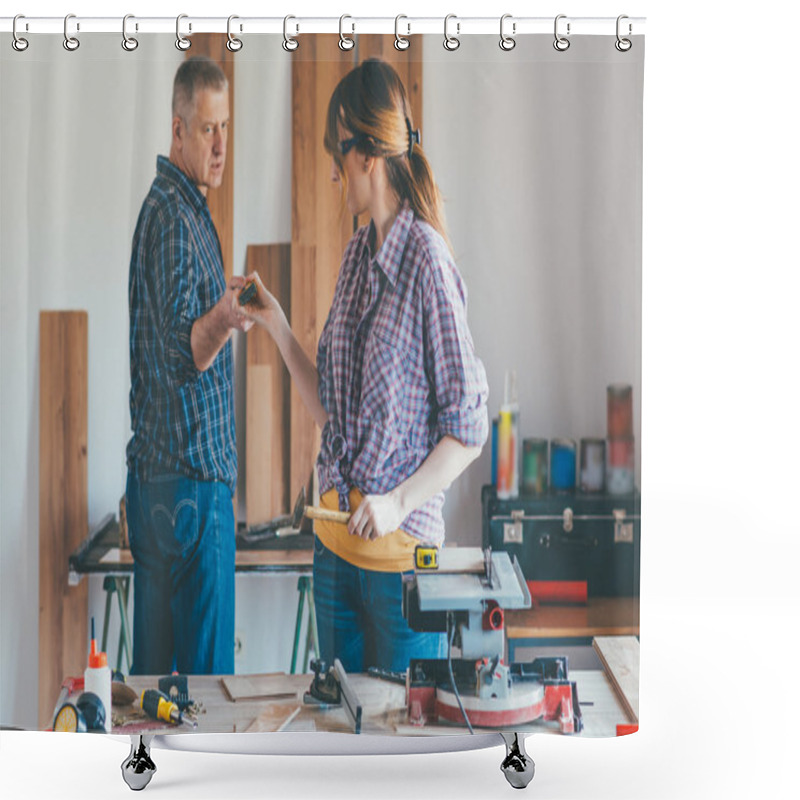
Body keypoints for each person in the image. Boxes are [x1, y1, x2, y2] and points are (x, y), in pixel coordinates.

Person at [240, 59, 489, 673]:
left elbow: (468, 431)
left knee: (403, 755)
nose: (332, 171)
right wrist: (274, 322)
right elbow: (331, 407)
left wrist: (398, 503)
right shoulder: (356, 257)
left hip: (400, 571)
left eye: (337, 154)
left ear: (367, 155)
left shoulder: (428, 264)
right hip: (333, 560)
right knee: (338, 750)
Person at [126, 56, 252, 675]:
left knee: (157, 691)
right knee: (202, 701)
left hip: (164, 484)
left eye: (226, 126)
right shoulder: (176, 219)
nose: (222, 144)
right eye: (208, 129)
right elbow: (181, 354)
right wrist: (224, 320)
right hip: (189, 494)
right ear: (178, 130)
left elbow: (171, 331)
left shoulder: (177, 208)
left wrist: (218, 305)